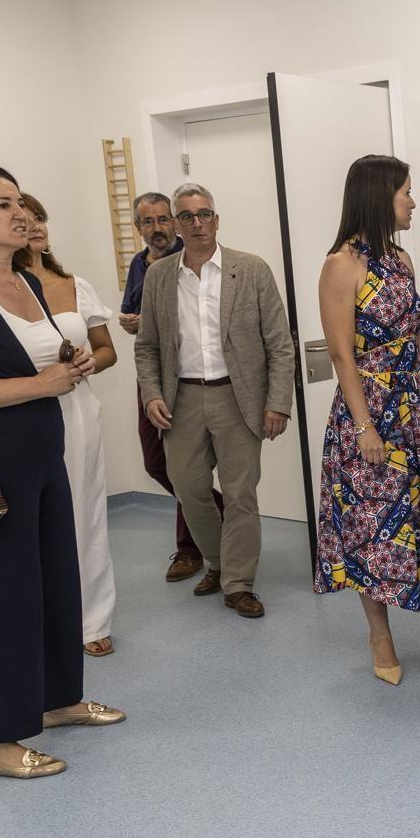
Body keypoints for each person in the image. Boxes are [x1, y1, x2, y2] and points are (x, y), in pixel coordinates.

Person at [0, 164, 125, 779]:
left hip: (44, 452)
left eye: (22, 204)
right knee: (6, 596)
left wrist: (71, 361)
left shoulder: (26, 282)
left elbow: (37, 359)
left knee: (58, 579)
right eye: (3, 204)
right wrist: (41, 383)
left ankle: (57, 698)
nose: (21, 214)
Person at [315, 155, 420, 684]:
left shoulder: (400, 261)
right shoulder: (342, 264)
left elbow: (419, 332)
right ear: (380, 197)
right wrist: (365, 427)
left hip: (419, 410)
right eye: (406, 191)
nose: (412, 201)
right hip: (372, 412)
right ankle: (380, 636)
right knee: (370, 527)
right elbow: (341, 354)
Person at [134, 183, 295, 619]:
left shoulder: (252, 269)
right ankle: (219, 563)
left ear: (217, 219)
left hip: (238, 398)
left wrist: (278, 402)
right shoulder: (159, 277)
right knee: (189, 489)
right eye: (186, 216)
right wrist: (151, 393)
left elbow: (280, 344)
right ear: (178, 224)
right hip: (181, 399)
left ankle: (238, 582)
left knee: (241, 493)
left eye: (204, 214)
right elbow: (146, 345)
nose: (197, 223)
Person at [20, 192, 119, 658]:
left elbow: (107, 349)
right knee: (37, 520)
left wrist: (86, 364)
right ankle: (43, 620)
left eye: (40, 216)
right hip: (27, 411)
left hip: (77, 409)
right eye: (23, 218)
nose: (34, 225)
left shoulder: (74, 284)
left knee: (86, 511)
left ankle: (92, 619)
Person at [117, 192, 224, 584]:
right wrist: (131, 322)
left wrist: (146, 320)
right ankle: (218, 512)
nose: (158, 228)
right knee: (158, 462)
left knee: (186, 466)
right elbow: (135, 313)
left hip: (194, 377)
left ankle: (190, 548)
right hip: (153, 375)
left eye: (164, 220)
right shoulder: (139, 264)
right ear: (138, 227)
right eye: (149, 222)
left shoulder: (189, 260)